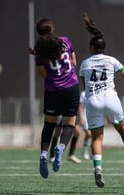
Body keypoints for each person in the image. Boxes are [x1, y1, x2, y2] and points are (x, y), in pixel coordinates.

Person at [78, 13, 124, 188]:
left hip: (93, 101)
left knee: (97, 138)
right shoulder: (112, 60)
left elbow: (85, 86)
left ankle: (98, 169)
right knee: (121, 128)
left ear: (91, 47)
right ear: (103, 47)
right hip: (111, 99)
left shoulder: (84, 64)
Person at [28, 18, 79, 179]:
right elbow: (74, 62)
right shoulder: (65, 41)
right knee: (69, 124)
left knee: (49, 125)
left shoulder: (40, 50)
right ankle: (61, 147)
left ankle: (44, 154)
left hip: (52, 91)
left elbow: (42, 73)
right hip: (71, 88)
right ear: (52, 29)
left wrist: (37, 55)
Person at [79, 90, 92, 160]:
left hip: (93, 116)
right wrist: (81, 118)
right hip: (85, 117)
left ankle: (92, 152)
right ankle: (84, 151)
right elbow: (80, 107)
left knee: (93, 135)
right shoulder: (83, 93)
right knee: (89, 134)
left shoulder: (95, 91)